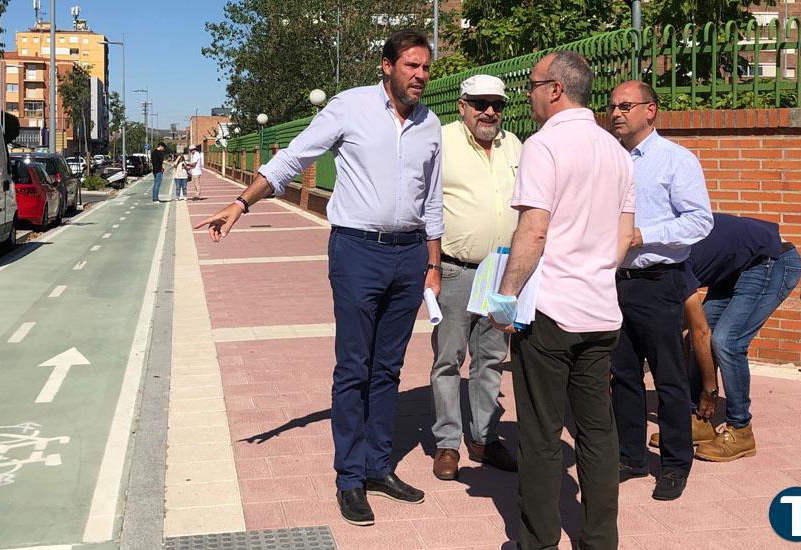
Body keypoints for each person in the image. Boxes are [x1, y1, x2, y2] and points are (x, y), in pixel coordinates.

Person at [194, 29, 442, 527]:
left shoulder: (430, 124)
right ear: (386, 66)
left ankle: (377, 466)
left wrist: (433, 264)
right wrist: (241, 204)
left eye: (425, 68)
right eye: (411, 66)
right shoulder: (348, 108)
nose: (420, 76)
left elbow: (431, 200)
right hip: (356, 252)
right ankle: (350, 477)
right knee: (354, 366)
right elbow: (293, 158)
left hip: (409, 255)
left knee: (389, 369)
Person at [489, 51, 636, 550]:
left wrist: (504, 299)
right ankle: (599, 540)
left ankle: (538, 541)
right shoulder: (615, 149)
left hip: (550, 313)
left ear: (554, 89)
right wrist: (595, 272)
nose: (526, 94)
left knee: (541, 435)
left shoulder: (543, 145)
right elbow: (623, 235)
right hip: (600, 310)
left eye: (531, 84)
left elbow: (533, 230)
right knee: (598, 432)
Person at [607, 80, 713, 501]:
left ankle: (674, 464)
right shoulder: (611, 159)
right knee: (623, 375)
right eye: (612, 105)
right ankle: (631, 457)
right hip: (616, 282)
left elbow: (699, 222)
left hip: (659, 282)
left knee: (668, 379)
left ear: (650, 110)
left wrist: (643, 235)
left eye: (625, 106)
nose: (615, 112)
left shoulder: (675, 160)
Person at [650, 213, 801, 461]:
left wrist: (709, 389)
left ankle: (741, 429)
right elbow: (688, 330)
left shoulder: (670, 256)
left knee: (727, 342)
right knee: (705, 338)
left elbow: (699, 331)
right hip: (734, 266)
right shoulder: (652, 255)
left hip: (771, 259)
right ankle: (698, 420)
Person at [430, 73, 521, 481]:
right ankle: (447, 442)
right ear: (462, 105)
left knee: (490, 361)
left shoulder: (513, 144)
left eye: (497, 105)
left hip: (502, 272)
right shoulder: (441, 141)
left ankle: (484, 437)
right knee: (448, 360)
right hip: (455, 269)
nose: (489, 112)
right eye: (481, 103)